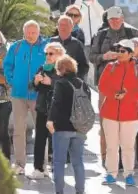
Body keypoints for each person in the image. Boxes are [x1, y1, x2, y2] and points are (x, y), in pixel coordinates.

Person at [90, 6, 138, 165]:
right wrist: (104, 56)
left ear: (122, 18)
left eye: (117, 19)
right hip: (107, 86)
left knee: (131, 122)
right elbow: (91, 56)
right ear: (108, 20)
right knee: (107, 122)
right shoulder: (101, 35)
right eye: (112, 20)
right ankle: (107, 159)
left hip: (130, 86)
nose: (115, 22)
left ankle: (130, 161)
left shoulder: (133, 34)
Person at [3, 20, 48, 175]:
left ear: (38, 32)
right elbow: (7, 66)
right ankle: (20, 164)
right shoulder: (16, 47)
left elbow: (53, 65)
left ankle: (41, 165)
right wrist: (11, 80)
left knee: (41, 131)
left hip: (39, 95)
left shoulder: (46, 46)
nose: (30, 35)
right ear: (24, 32)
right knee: (18, 130)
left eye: (33, 32)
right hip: (18, 94)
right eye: (28, 32)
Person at [98, 39, 138, 186]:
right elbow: (102, 85)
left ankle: (129, 174)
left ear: (130, 54)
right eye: (118, 50)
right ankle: (111, 174)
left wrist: (128, 96)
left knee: (128, 146)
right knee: (111, 146)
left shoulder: (136, 69)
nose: (119, 53)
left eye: (123, 51)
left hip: (130, 115)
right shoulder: (110, 67)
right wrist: (114, 94)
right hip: (110, 113)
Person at [47, 55, 89, 194]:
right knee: (78, 162)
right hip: (80, 128)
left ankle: (59, 191)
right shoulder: (83, 84)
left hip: (63, 127)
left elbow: (56, 103)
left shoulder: (61, 83)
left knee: (59, 162)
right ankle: (80, 191)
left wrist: (50, 120)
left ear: (61, 69)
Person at [28, 42, 65, 180]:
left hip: (58, 110)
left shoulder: (64, 68)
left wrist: (52, 82)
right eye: (46, 53)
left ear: (59, 55)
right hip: (43, 107)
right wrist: (36, 82)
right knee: (39, 139)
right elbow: (32, 86)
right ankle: (38, 168)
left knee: (56, 139)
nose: (47, 56)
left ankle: (55, 167)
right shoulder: (42, 68)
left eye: (51, 53)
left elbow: (68, 86)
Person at [51, 15, 89, 80]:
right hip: (52, 82)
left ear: (71, 28)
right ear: (57, 27)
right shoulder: (51, 42)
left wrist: (75, 79)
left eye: (66, 25)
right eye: (61, 25)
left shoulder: (77, 44)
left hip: (69, 83)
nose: (63, 27)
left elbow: (84, 67)